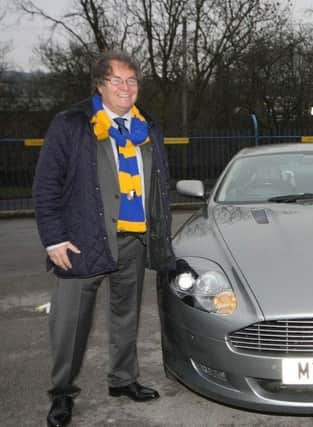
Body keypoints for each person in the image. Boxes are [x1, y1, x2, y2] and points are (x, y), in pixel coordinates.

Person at [33, 50, 174, 427]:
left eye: (132, 81)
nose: (126, 88)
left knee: (126, 315)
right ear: (100, 84)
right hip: (82, 241)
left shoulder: (148, 127)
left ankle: (123, 380)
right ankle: (62, 392)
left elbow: (157, 184)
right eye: (117, 80)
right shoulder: (72, 124)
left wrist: (159, 233)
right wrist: (53, 239)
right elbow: (46, 186)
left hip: (133, 240)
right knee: (70, 324)